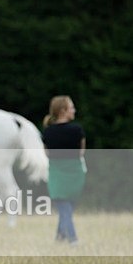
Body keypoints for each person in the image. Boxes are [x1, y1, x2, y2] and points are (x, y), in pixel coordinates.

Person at [42, 95, 86, 245]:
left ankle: (62, 239)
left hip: (57, 175)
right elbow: (81, 152)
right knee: (67, 210)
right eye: (72, 107)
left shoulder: (47, 133)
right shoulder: (77, 130)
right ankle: (71, 240)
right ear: (63, 111)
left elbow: (46, 154)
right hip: (75, 173)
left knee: (64, 210)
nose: (74, 110)